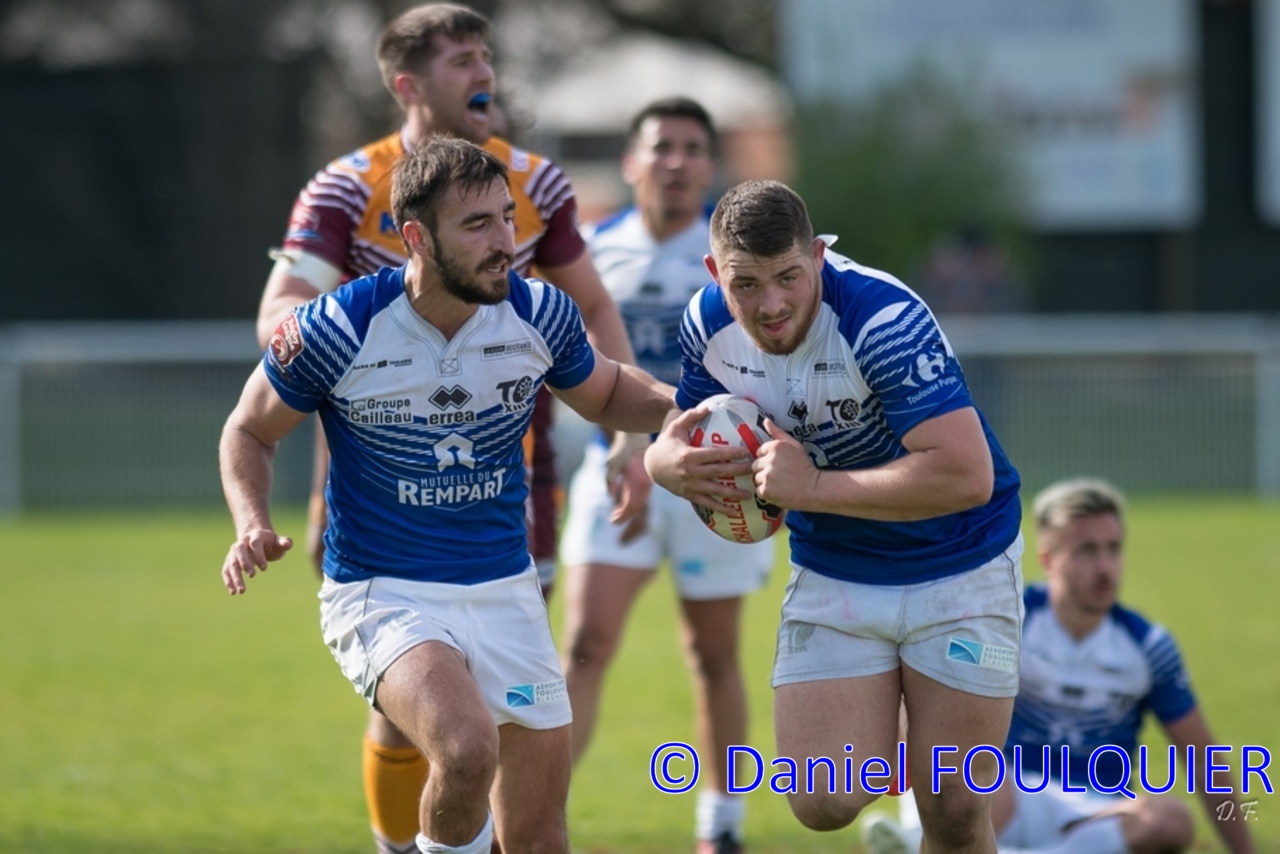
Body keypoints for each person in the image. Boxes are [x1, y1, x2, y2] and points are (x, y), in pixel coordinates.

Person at [219, 138, 674, 854]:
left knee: (539, 839)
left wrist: (690, 409)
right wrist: (252, 521)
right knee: (465, 749)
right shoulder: (339, 326)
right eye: (477, 225)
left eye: (507, 219)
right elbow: (248, 429)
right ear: (416, 238)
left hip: (506, 589)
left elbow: (610, 389)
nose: (505, 243)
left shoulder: (538, 312)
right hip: (384, 591)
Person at [644, 179, 1024, 853]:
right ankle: (911, 719)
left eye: (789, 277)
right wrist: (661, 464)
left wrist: (813, 487)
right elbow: (694, 427)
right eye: (746, 284)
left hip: (960, 561)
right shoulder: (707, 324)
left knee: (955, 809)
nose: (771, 305)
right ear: (714, 273)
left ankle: (925, 731)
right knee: (821, 799)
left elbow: (967, 475)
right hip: (837, 569)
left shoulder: (882, 320)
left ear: (818, 255)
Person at [558, 98, 773, 854]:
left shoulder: (736, 257)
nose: (676, 162)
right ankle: (535, 817)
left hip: (720, 476)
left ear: (711, 167)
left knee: (712, 655)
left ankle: (722, 826)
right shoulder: (590, 251)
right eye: (661, 147)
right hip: (616, 468)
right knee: (584, 644)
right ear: (631, 163)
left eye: (692, 148)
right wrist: (628, 444)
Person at [861, 478, 1256, 854]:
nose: (1104, 566)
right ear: (1048, 559)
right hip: (1007, 793)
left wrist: (1246, 851)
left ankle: (933, 846)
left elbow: (1204, 759)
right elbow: (933, 678)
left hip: (1096, 810)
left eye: (1113, 548)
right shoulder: (1006, 623)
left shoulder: (1148, 647)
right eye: (1087, 550)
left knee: (1170, 821)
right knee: (952, 765)